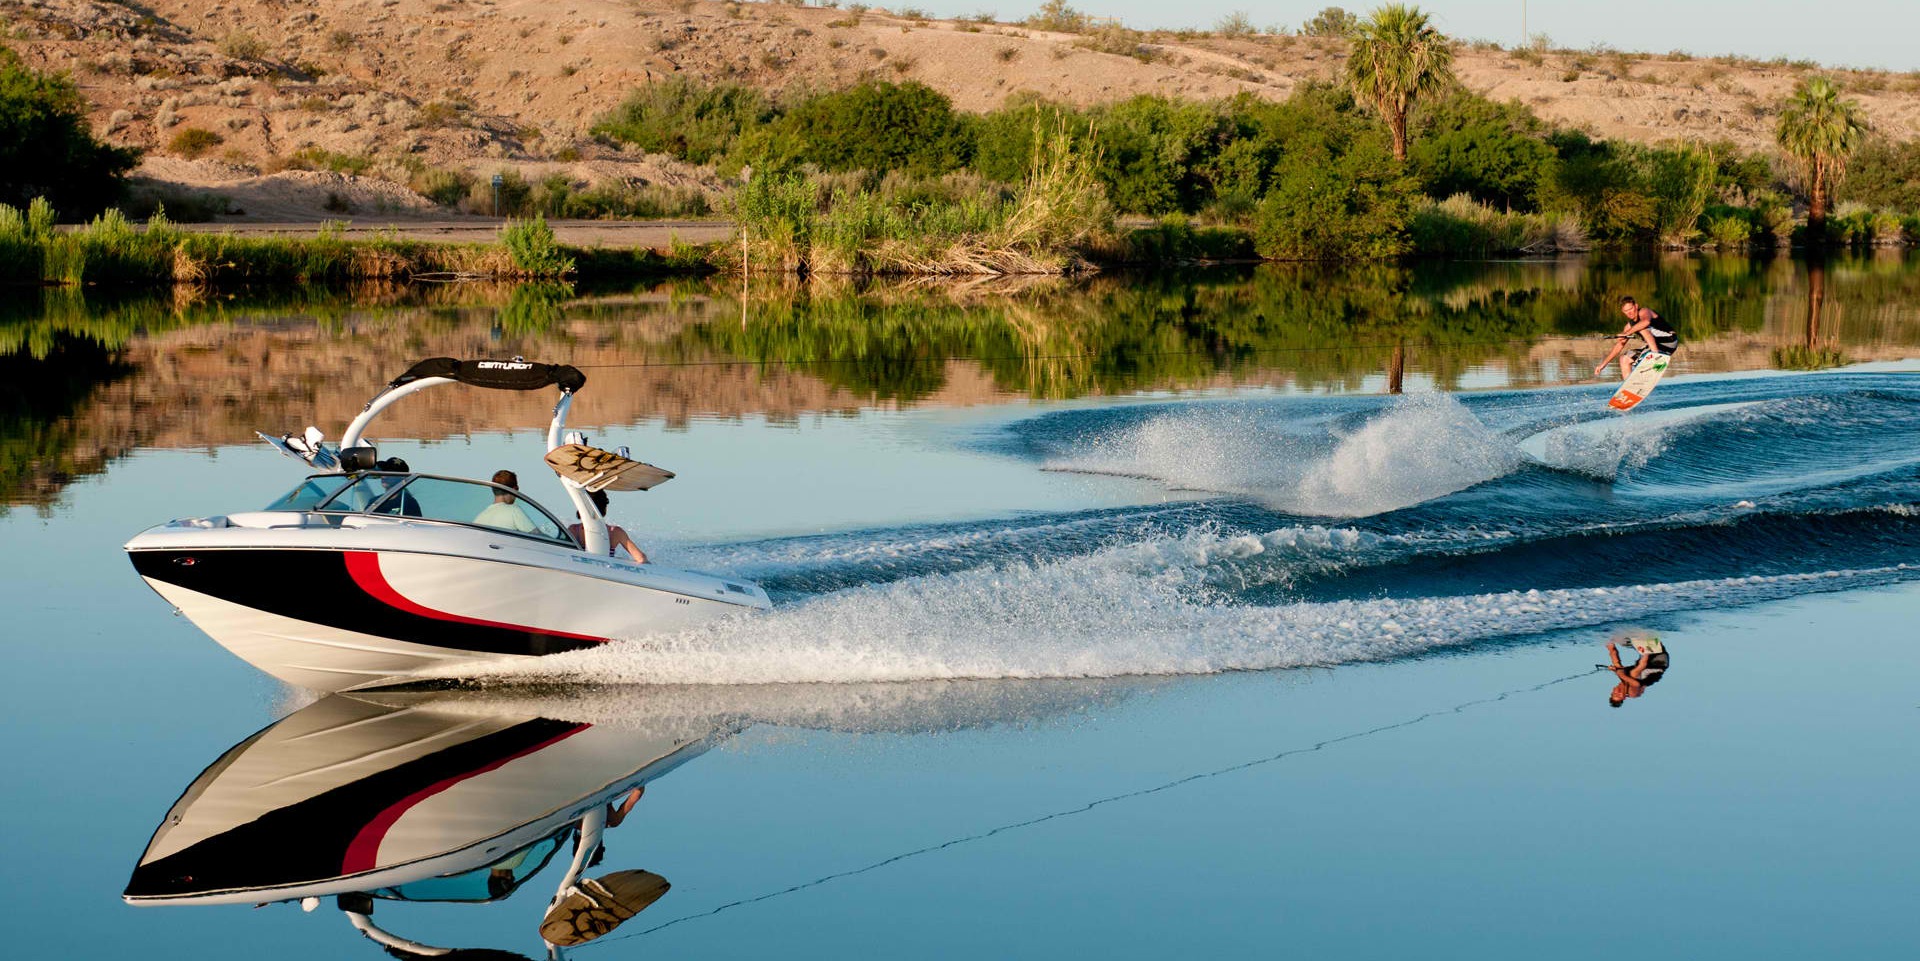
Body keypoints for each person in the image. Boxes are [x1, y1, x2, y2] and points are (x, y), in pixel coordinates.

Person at [1594, 295, 1680, 380]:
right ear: (1623, 312)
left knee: (1642, 328)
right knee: (1624, 359)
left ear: (1636, 306)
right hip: (1657, 346)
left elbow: (1645, 322)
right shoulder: (1629, 326)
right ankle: (1628, 388)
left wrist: (1626, 333)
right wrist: (1603, 365)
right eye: (1626, 311)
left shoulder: (1644, 311)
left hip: (1669, 341)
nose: (1629, 313)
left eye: (1631, 309)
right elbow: (1619, 346)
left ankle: (1655, 358)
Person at [568, 489, 648, 563]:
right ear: (604, 508)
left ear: (581, 507)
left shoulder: (574, 530)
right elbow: (641, 558)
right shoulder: (615, 532)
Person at [1604, 635, 1670, 707]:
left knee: (1618, 662)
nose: (1618, 692)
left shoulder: (1622, 678)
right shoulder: (1633, 694)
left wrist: (1609, 643)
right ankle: (1646, 650)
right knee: (1632, 674)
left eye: (1615, 693)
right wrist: (1619, 673)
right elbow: (1636, 684)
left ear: (1613, 690)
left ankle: (1611, 641)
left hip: (1650, 657)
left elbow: (1614, 656)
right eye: (1619, 695)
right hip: (1659, 662)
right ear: (1624, 697)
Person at [473, 469, 538, 533]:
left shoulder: (479, 518)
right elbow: (538, 536)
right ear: (513, 489)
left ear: (493, 490)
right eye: (517, 489)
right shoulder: (513, 511)